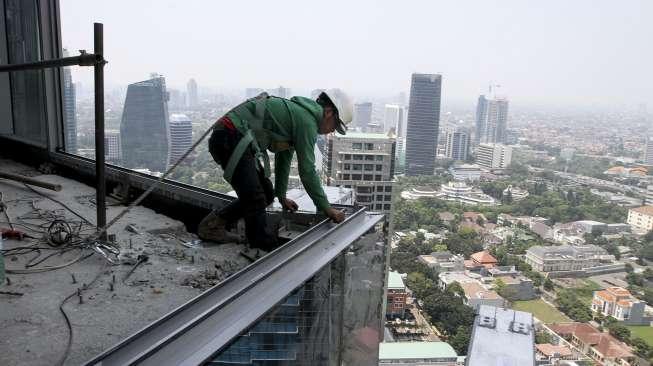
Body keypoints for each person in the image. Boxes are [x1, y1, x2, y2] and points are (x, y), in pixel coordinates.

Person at [198, 89, 352, 251]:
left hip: (234, 138)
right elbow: (307, 170)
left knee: (266, 194)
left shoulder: (299, 115)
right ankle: (260, 250)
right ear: (328, 112)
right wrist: (326, 208)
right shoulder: (307, 122)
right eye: (335, 124)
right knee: (256, 198)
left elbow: (283, 159)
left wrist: (281, 196)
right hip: (230, 137)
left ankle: (215, 225)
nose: (332, 130)